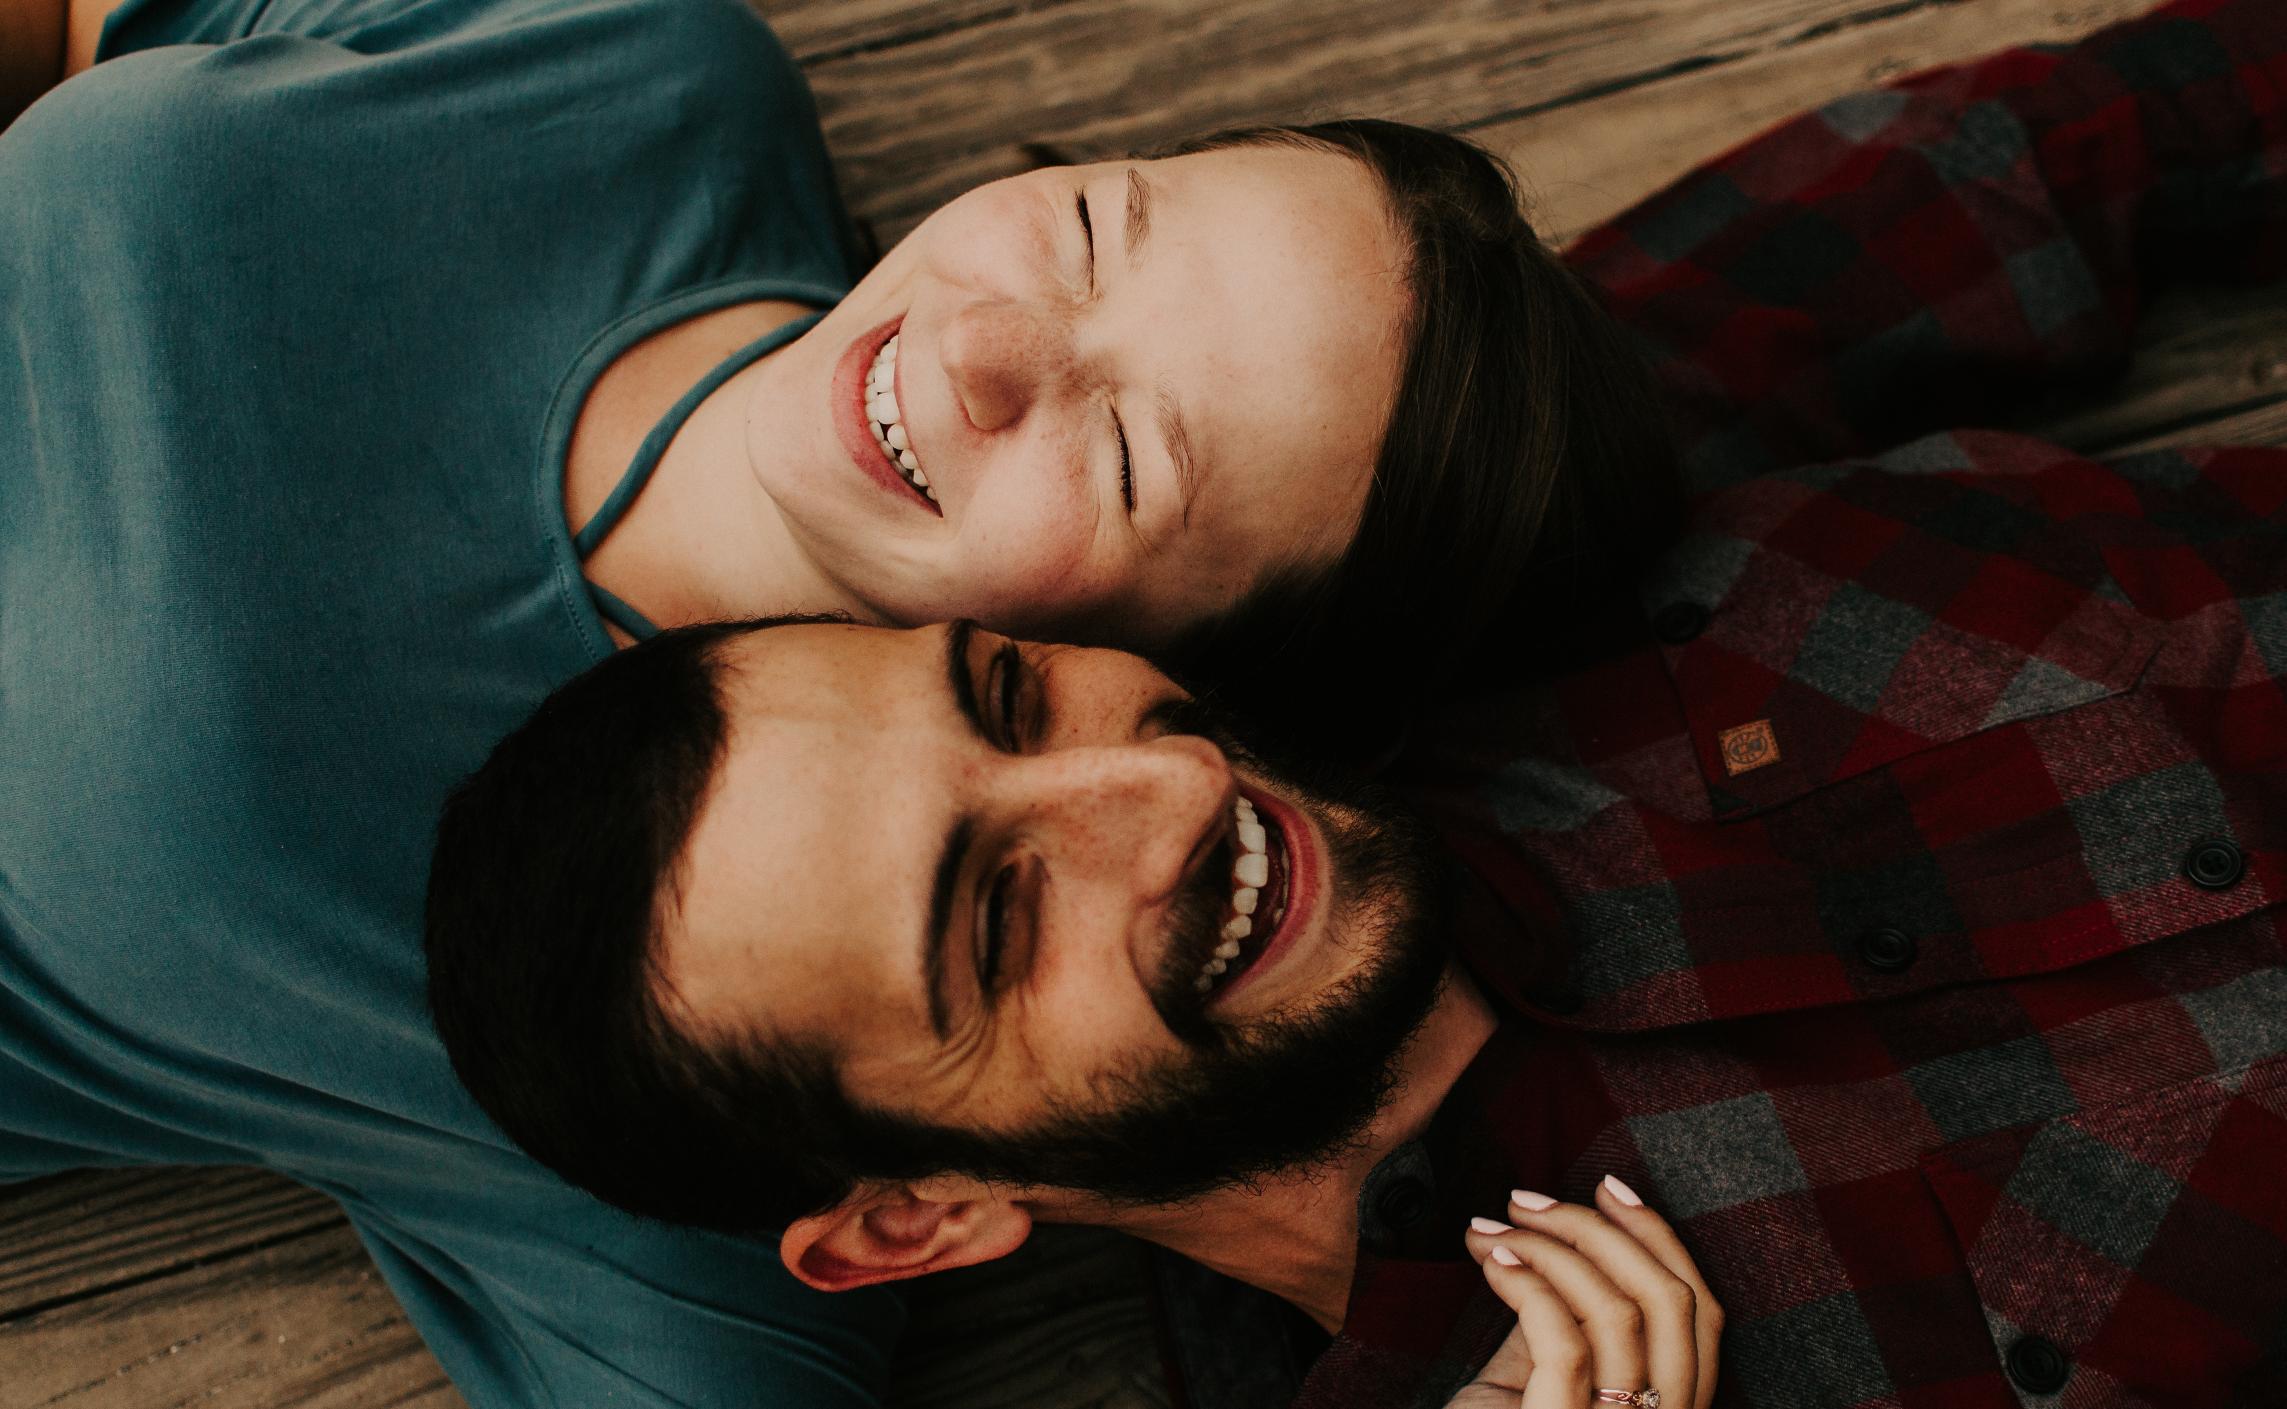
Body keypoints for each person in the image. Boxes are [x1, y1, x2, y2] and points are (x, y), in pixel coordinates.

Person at [423, 0, 2287, 1404]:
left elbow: (2055, 155)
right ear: (919, 1214)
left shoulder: (1420, 546)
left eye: (1009, 694)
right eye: (999, 918)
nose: (1153, 797)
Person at [0, 0, 1681, 1402]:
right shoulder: (654, 72)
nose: (986, 343)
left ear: (1191, 670)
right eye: (1100, 227)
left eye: (1121, 461)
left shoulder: (667, 1009)